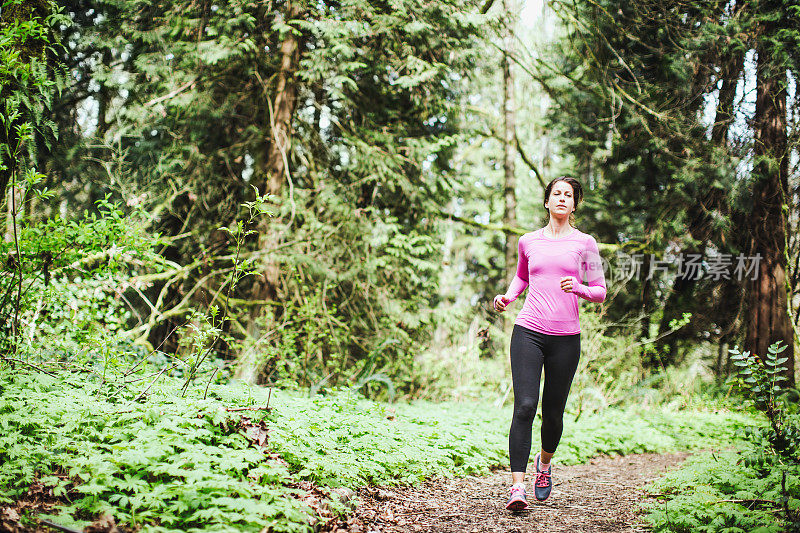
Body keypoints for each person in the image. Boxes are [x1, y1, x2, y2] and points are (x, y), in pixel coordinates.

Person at [493, 176, 606, 510]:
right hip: (528, 331)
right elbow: (523, 276)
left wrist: (579, 287)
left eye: (568, 195)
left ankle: (544, 465)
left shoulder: (586, 243)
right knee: (525, 406)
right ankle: (517, 487)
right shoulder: (528, 241)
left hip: (566, 339)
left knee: (553, 411)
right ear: (547, 201)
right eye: (556, 193)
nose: (561, 198)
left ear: (574, 205)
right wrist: (508, 297)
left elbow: (599, 290)